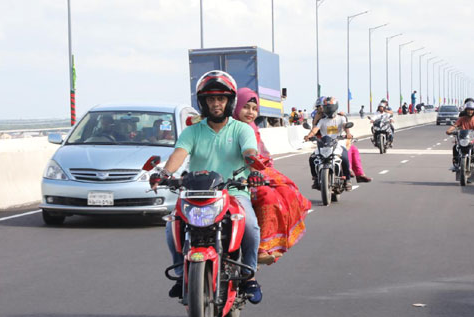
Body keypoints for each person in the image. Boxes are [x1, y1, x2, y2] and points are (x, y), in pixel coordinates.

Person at [151, 70, 263, 303]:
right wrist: (164, 174)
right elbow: (179, 154)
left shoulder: (241, 129)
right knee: (172, 229)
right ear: (203, 102)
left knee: (251, 227)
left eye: (220, 98)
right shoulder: (192, 131)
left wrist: (254, 170)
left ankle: (249, 276)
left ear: (229, 101)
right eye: (211, 99)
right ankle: (182, 275)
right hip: (196, 193)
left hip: (233, 192)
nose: (216, 103)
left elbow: (250, 152)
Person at [233, 88, 312, 264]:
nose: (250, 112)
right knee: (266, 195)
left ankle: (265, 246)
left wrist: (259, 169)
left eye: (254, 109)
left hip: (250, 175)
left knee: (284, 192)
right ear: (235, 106)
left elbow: (259, 155)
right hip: (227, 179)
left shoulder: (252, 128)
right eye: (246, 107)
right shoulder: (226, 127)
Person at [304, 97, 354, 190]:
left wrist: (348, 133)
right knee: (312, 158)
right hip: (324, 143)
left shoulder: (341, 118)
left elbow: (345, 126)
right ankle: (315, 178)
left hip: (337, 143)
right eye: (326, 107)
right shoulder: (322, 120)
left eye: (329, 107)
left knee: (345, 158)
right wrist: (309, 135)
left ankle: (347, 179)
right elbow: (315, 129)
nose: (328, 109)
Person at [446, 101, 474, 171]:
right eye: (468, 110)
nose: (470, 111)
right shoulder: (461, 119)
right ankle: (455, 163)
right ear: (465, 110)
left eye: (471, 110)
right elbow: (454, 125)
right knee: (455, 147)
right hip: (463, 138)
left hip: (473, 139)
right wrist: (449, 130)